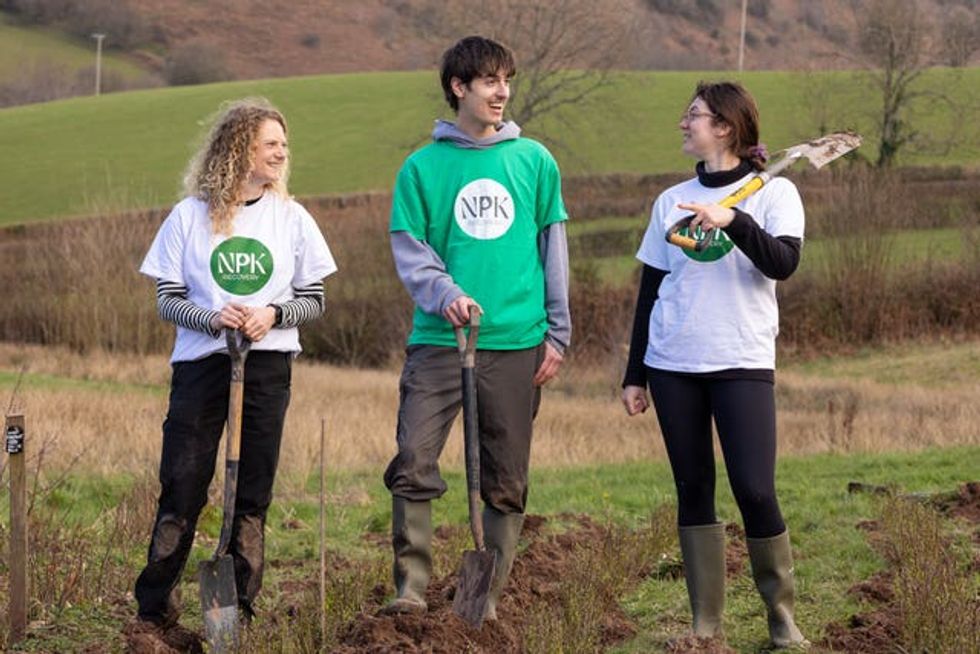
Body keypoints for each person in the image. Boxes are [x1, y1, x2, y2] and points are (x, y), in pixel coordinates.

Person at [381, 36, 570, 621]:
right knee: (414, 457)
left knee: (506, 476)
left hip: (516, 341)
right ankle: (412, 587)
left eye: (506, 80)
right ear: (458, 87)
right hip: (440, 341)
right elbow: (411, 251)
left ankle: (481, 598)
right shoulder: (421, 168)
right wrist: (449, 295)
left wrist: (558, 333)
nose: (502, 92)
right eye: (490, 81)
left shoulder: (534, 161)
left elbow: (553, 250)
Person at [134, 98, 337, 630]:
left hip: (267, 367)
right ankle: (154, 609)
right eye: (271, 143)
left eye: (284, 144)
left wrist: (273, 314)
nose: (282, 153)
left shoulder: (292, 218)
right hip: (201, 366)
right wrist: (211, 318)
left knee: (252, 493)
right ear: (239, 148)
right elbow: (167, 300)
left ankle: (237, 608)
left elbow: (314, 298)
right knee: (182, 485)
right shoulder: (188, 216)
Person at [621, 81, 808, 649]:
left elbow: (783, 264)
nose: (684, 124)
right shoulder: (669, 201)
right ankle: (706, 625)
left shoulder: (774, 194)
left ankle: (781, 616)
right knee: (693, 488)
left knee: (755, 489)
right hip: (672, 362)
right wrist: (635, 373)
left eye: (694, 116)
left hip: (741, 359)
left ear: (725, 127)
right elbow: (650, 291)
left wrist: (734, 220)